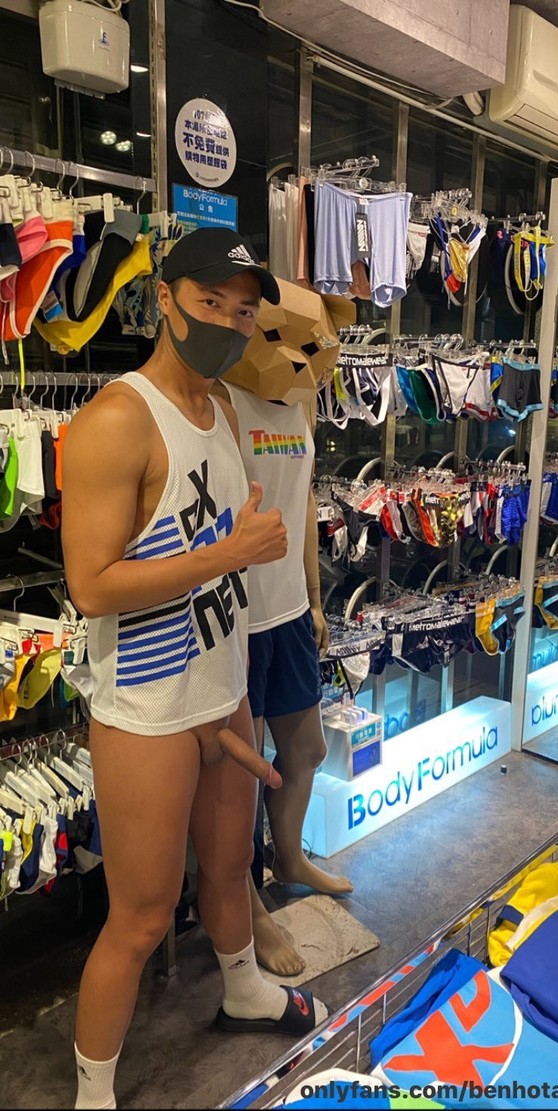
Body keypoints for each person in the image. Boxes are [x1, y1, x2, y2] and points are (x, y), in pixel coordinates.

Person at [62, 228, 327, 1111]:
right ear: (166, 300)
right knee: (140, 918)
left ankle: (244, 990)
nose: (227, 321)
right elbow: (91, 585)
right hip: (146, 707)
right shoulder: (116, 418)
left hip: (221, 683)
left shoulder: (220, 408)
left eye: (243, 311)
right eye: (211, 301)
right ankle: (92, 1092)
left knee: (228, 865)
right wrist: (229, 555)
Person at [217, 305, 353, 978]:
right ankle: (244, 905)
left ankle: (290, 857)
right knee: (237, 782)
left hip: (292, 612)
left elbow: (301, 504)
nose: (300, 356)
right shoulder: (222, 403)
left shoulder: (300, 407)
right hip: (236, 621)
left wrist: (317, 597)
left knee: (306, 749)